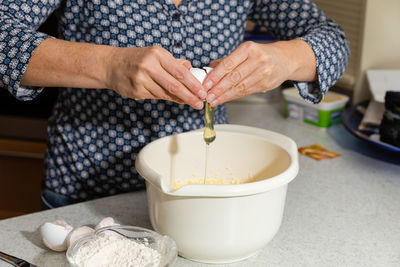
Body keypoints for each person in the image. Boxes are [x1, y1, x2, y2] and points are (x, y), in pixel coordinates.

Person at [0, 0, 349, 208]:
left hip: (199, 196)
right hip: (88, 191)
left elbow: (333, 39)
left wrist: (286, 60)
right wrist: (108, 66)